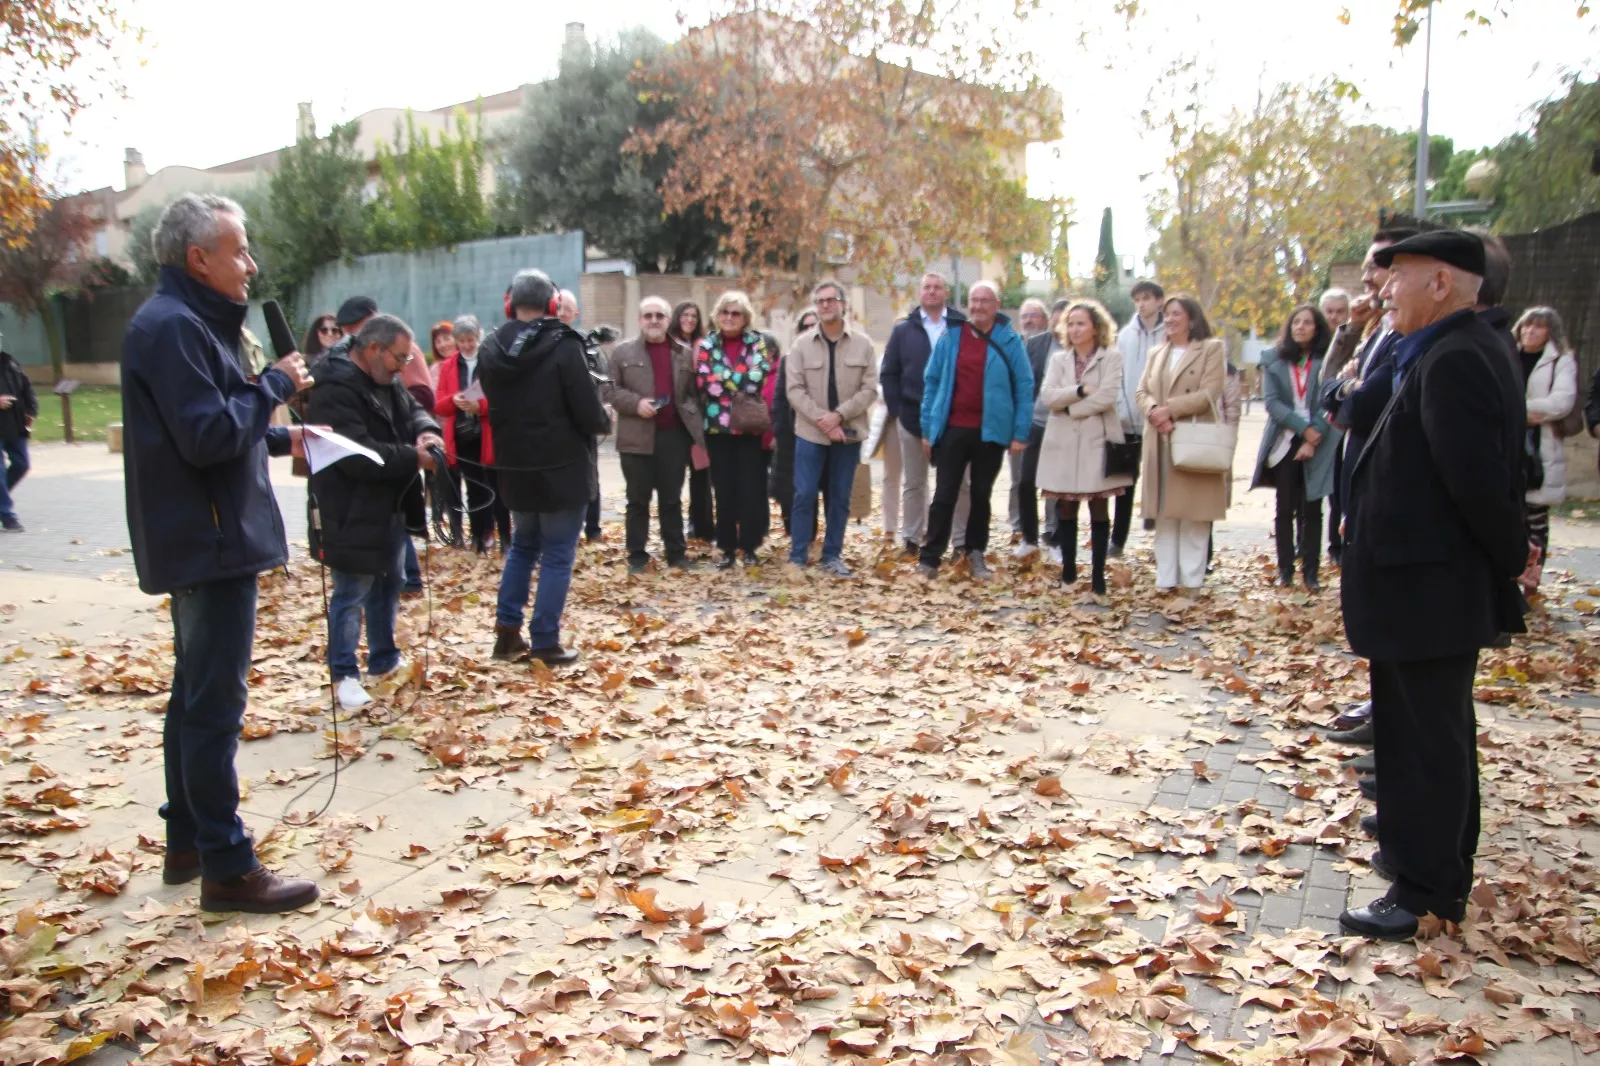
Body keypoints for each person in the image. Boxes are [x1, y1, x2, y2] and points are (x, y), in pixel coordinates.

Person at [121, 193, 319, 913]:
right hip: (209, 542)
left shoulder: (184, 322)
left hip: (206, 533)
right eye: (238, 250)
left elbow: (214, 430)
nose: (251, 264)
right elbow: (206, 436)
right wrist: (276, 386)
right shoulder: (173, 327)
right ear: (197, 258)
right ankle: (228, 868)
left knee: (193, 697)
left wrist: (282, 436)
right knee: (213, 708)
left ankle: (187, 841)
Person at [1337, 229, 1527, 940]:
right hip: (1418, 590)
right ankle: (1427, 865)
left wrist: (1514, 559)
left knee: (1427, 744)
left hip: (1428, 592)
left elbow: (1478, 485)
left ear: (1441, 284)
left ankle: (1425, 891)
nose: (1385, 289)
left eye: (1399, 277)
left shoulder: (1454, 359)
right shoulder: (1449, 348)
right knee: (1425, 735)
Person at [306, 315, 443, 709]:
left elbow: (411, 407)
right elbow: (355, 452)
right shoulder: (334, 386)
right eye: (397, 359)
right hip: (348, 505)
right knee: (352, 590)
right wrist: (413, 457)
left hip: (389, 500)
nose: (403, 367)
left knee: (390, 580)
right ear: (372, 350)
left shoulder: (386, 377)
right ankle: (343, 673)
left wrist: (427, 430)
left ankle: (384, 659)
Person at [1318, 221, 1422, 743]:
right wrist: (1348, 341)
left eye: (1376, 269)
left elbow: (1358, 403)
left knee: (1391, 615)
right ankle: (1383, 712)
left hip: (1385, 489)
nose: (1367, 279)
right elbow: (1329, 389)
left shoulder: (1410, 333)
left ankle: (1392, 725)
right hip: (1357, 477)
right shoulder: (1374, 326)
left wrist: (1346, 392)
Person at [481, 269, 612, 665]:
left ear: (510, 303)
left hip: (516, 468)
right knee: (557, 553)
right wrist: (604, 419)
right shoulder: (564, 344)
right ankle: (544, 640)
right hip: (563, 468)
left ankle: (506, 634)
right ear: (553, 305)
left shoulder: (490, 348)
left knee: (523, 545)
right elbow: (587, 411)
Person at [916, 280, 1033, 581]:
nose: (978, 306)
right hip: (953, 428)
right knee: (944, 494)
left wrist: (1020, 432)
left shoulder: (1009, 339)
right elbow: (931, 382)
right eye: (973, 300)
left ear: (996, 305)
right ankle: (930, 558)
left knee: (981, 495)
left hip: (990, 433)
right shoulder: (951, 335)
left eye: (985, 301)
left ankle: (975, 552)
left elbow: (1024, 385)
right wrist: (928, 429)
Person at [1035, 299, 1131, 595]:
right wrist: (1077, 391)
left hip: (1096, 440)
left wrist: (1071, 408)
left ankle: (1099, 576)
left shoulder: (1110, 358)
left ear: (1095, 327)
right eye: (1071, 323)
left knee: (1099, 505)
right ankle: (1068, 573)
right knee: (1066, 506)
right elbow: (1049, 397)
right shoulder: (1058, 360)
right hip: (1062, 442)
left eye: (1081, 323)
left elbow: (1107, 397)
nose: (1075, 329)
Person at [604, 296, 706, 573]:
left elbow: (693, 394)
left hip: (673, 437)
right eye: (648, 316)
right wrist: (636, 404)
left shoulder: (684, 353)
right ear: (640, 320)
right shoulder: (623, 353)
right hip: (635, 438)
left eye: (659, 316)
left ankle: (676, 554)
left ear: (667, 319)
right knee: (637, 500)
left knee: (671, 499)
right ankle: (637, 556)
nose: (654, 321)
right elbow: (610, 391)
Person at [1134, 293, 1227, 593]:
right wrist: (1153, 411)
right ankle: (1166, 578)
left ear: (1192, 318)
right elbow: (1142, 391)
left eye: (1177, 313)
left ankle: (1192, 579)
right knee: (1164, 512)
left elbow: (1210, 391)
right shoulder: (1156, 353)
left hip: (1192, 437)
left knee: (1193, 512)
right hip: (1159, 439)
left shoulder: (1211, 349)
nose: (1170, 319)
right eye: (1167, 314)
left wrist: (1170, 409)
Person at [786, 281, 878, 576]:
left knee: (840, 496)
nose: (825, 305)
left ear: (842, 304)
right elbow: (794, 390)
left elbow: (869, 390)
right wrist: (823, 421)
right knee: (804, 494)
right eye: (820, 301)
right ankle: (798, 556)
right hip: (810, 433)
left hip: (849, 434)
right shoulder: (801, 345)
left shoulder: (863, 344)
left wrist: (838, 416)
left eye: (831, 300)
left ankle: (832, 556)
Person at [1251, 304, 1340, 592]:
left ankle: (1311, 572)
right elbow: (1273, 403)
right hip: (1284, 441)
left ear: (1317, 328)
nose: (1300, 327)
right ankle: (1285, 570)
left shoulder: (1328, 361)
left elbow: (1331, 400)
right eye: (1296, 322)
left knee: (1313, 508)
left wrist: (1314, 437)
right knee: (1284, 507)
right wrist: (1304, 431)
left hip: (1320, 441)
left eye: (1307, 322)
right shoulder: (1275, 359)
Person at [880, 272, 969, 559]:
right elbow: (889, 373)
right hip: (911, 417)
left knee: (959, 483)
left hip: (955, 419)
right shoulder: (903, 330)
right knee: (914, 482)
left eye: (937, 287)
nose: (931, 292)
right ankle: (912, 540)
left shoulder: (961, 326)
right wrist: (897, 409)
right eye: (926, 287)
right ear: (920, 293)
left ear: (946, 292)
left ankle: (960, 542)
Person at [695, 291, 775, 568]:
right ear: (717, 316)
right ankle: (727, 549)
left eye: (735, 313)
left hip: (748, 428)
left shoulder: (757, 343)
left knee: (750, 490)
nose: (729, 318)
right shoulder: (707, 344)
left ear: (745, 318)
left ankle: (750, 547)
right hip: (717, 430)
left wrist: (725, 377)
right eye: (725, 312)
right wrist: (738, 379)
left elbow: (757, 380)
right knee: (724, 491)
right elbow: (707, 382)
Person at [1515, 306, 1579, 591]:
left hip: (1541, 450)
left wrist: (1516, 410)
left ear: (1550, 331)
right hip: (1511, 446)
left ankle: (1532, 581)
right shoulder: (1509, 353)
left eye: (1538, 327)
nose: (1530, 331)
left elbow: (1561, 402)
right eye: (1527, 325)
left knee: (1536, 520)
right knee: (1512, 518)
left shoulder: (1561, 361)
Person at [434, 315, 510, 553]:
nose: (467, 345)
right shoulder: (449, 366)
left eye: (471, 340)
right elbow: (439, 404)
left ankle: (505, 536)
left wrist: (482, 407)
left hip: (488, 433)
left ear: (479, 337)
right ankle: (479, 536)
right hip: (463, 434)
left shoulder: (489, 361)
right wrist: (454, 401)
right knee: (474, 488)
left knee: (497, 488)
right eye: (463, 340)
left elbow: (502, 398)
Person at [1113, 279, 1166, 557]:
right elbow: (1118, 374)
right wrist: (1120, 406)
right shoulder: (1125, 335)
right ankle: (1117, 540)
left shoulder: (1169, 333)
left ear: (1159, 300)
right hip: (1127, 420)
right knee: (1123, 482)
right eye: (1137, 299)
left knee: (1160, 480)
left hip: (1159, 419)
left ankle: (1161, 541)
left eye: (1147, 298)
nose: (1142, 304)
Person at [1013, 299, 1067, 561]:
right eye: (1056, 320)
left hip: (1064, 426)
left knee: (1057, 485)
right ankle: (1029, 539)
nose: (1059, 325)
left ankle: (1055, 540)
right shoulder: (1036, 344)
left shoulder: (1079, 348)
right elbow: (1025, 383)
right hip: (1035, 422)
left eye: (1063, 320)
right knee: (1025, 481)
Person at [770, 308, 819, 538]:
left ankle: (813, 536)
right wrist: (780, 433)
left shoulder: (831, 358)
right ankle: (796, 534)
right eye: (805, 326)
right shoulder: (788, 360)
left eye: (814, 325)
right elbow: (779, 400)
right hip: (792, 435)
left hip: (822, 432)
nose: (810, 330)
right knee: (791, 489)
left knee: (815, 488)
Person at [669, 301, 714, 542]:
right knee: (674, 477)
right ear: (677, 317)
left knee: (701, 476)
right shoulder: (668, 345)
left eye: (694, 316)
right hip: (675, 422)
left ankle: (703, 526)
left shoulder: (703, 345)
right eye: (685, 314)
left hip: (698, 420)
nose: (689, 319)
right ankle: (677, 529)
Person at [1008, 298, 1051, 538]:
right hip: (1017, 423)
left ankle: (1049, 528)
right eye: (1024, 316)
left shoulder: (1053, 346)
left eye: (1033, 315)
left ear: (1044, 319)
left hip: (1046, 420)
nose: (1028, 320)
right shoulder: (1013, 345)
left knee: (1048, 477)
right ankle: (1018, 524)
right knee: (1018, 478)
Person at [1318, 288, 1352, 564]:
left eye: (1340, 311)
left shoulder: (1350, 339)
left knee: (1339, 488)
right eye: (1329, 311)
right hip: (1317, 425)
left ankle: (1337, 546)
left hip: (1343, 424)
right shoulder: (1312, 340)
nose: (1334, 316)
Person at [0, 343, 38, 532]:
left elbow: (26, 386)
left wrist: (31, 410)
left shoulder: (9, 361)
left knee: (21, 464)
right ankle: (7, 516)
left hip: (14, 425)